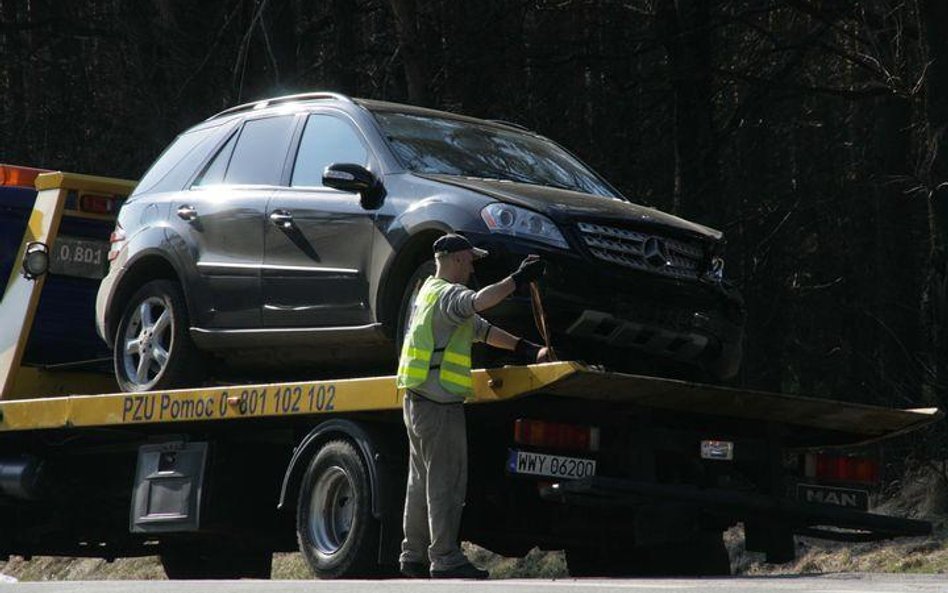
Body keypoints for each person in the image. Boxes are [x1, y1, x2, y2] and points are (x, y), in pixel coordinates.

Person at [396, 234, 549, 579]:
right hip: (438, 406)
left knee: (419, 483)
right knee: (446, 482)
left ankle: (413, 555)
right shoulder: (450, 294)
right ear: (451, 259)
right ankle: (445, 558)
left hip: (417, 401)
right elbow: (480, 303)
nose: (470, 267)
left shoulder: (428, 294)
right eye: (467, 260)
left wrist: (527, 350)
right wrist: (517, 280)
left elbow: (481, 329)